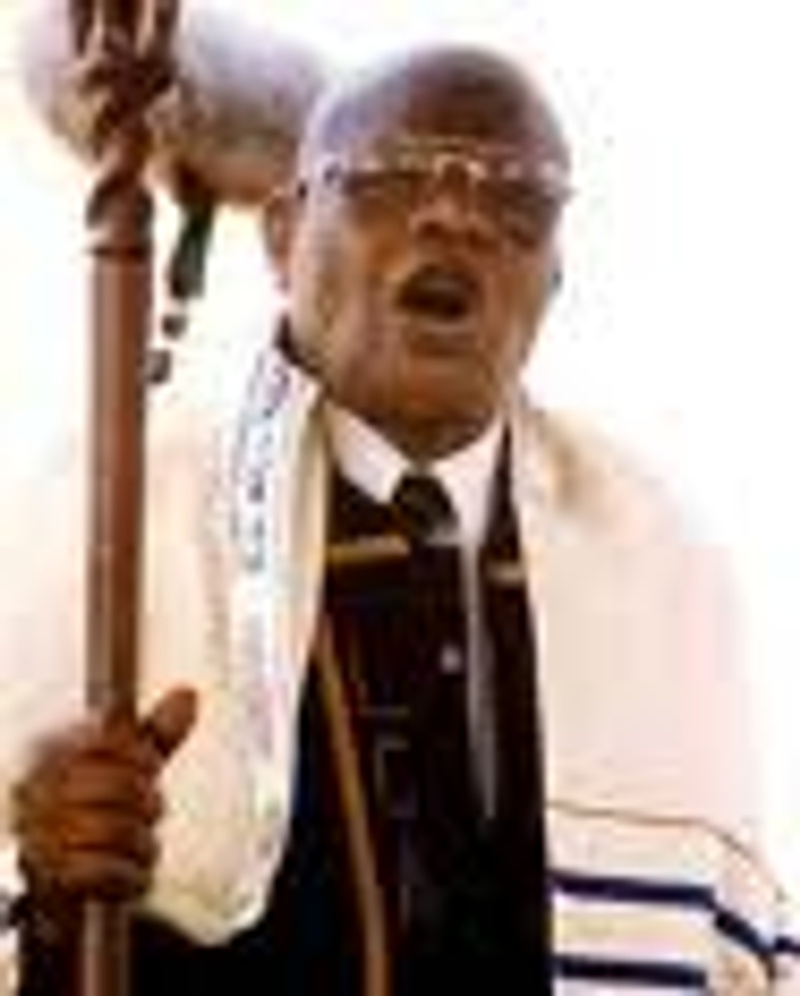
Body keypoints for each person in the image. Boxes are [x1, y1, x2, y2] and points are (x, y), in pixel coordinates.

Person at [1, 37, 798, 995]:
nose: (453, 216)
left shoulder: (658, 571)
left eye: (518, 197)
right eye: (385, 177)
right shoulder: (123, 510)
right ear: (283, 235)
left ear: (554, 276)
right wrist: (51, 892)